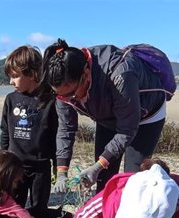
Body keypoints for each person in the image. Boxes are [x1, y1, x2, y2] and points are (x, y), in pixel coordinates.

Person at [38, 39, 170, 193]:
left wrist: (97, 166)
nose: (68, 100)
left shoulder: (120, 74)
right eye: (61, 96)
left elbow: (126, 130)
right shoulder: (64, 89)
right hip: (106, 116)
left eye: (72, 95)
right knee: (103, 181)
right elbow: (66, 129)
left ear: (86, 74)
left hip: (146, 116)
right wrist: (61, 171)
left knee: (134, 180)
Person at [0, 45, 59, 211]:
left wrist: (57, 164)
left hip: (40, 167)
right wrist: (3, 159)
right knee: (13, 208)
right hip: (15, 165)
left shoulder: (50, 100)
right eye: (10, 77)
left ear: (32, 74)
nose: (11, 82)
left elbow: (56, 135)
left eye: (15, 76)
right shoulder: (10, 99)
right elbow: (5, 131)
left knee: (39, 208)